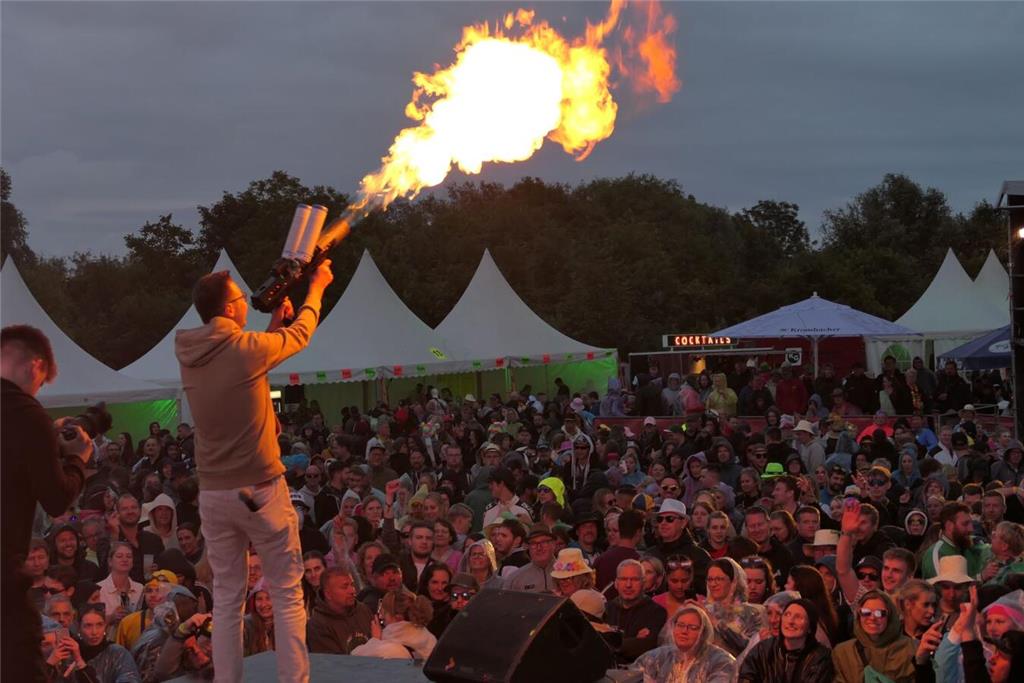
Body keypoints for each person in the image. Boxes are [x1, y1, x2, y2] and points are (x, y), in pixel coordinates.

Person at [175, 260, 333, 683]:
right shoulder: (246, 349)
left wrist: (269, 325)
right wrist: (315, 288)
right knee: (285, 591)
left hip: (213, 492)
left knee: (227, 596)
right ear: (228, 310)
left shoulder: (191, 354)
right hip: (260, 486)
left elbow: (242, 362)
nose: (246, 302)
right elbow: (299, 335)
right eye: (240, 299)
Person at [2, 325, 92, 682]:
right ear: (35, 366)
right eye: (42, 383)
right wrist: (78, 460)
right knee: (22, 667)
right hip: (3, 573)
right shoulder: (25, 412)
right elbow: (56, 499)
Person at [831, 590, 928, 683]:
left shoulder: (911, 648)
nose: (872, 618)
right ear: (858, 615)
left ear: (890, 617)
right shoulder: (844, 652)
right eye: (866, 612)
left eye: (880, 613)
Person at [632, 603, 737, 682]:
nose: (684, 631)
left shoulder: (721, 661)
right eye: (680, 625)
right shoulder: (657, 657)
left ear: (703, 633)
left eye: (692, 627)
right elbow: (630, 676)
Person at [738, 598, 834, 683]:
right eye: (787, 615)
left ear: (810, 627)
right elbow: (746, 677)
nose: (790, 621)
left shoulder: (820, 657)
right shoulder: (763, 649)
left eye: (798, 617)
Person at [606, 559, 668, 664]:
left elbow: (644, 646)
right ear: (616, 583)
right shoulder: (606, 608)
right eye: (624, 579)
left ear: (643, 583)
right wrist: (632, 639)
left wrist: (610, 644)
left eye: (634, 579)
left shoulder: (657, 612)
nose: (628, 585)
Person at [704, 557, 766, 656]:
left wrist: (716, 623)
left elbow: (751, 647)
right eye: (710, 579)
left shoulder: (752, 612)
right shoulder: (702, 610)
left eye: (719, 579)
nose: (713, 584)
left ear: (733, 581)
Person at [351, 590, 436, 661]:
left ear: (398, 617)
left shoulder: (389, 650)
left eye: (385, 612)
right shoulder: (430, 639)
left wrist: (375, 640)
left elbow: (354, 658)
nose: (381, 616)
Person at [307, 566, 374, 655]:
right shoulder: (318, 625)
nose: (352, 590)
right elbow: (333, 664)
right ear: (328, 594)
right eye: (345, 587)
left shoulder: (363, 610)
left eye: (352, 585)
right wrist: (374, 643)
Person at [77, 604, 142, 682]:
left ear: (105, 626)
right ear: (79, 628)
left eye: (99, 625)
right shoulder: (70, 654)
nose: (94, 632)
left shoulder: (118, 653)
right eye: (88, 626)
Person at [505, 524, 557, 593]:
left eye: (544, 542)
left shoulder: (567, 572)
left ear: (553, 544)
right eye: (533, 543)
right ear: (528, 547)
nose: (539, 548)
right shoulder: (515, 579)